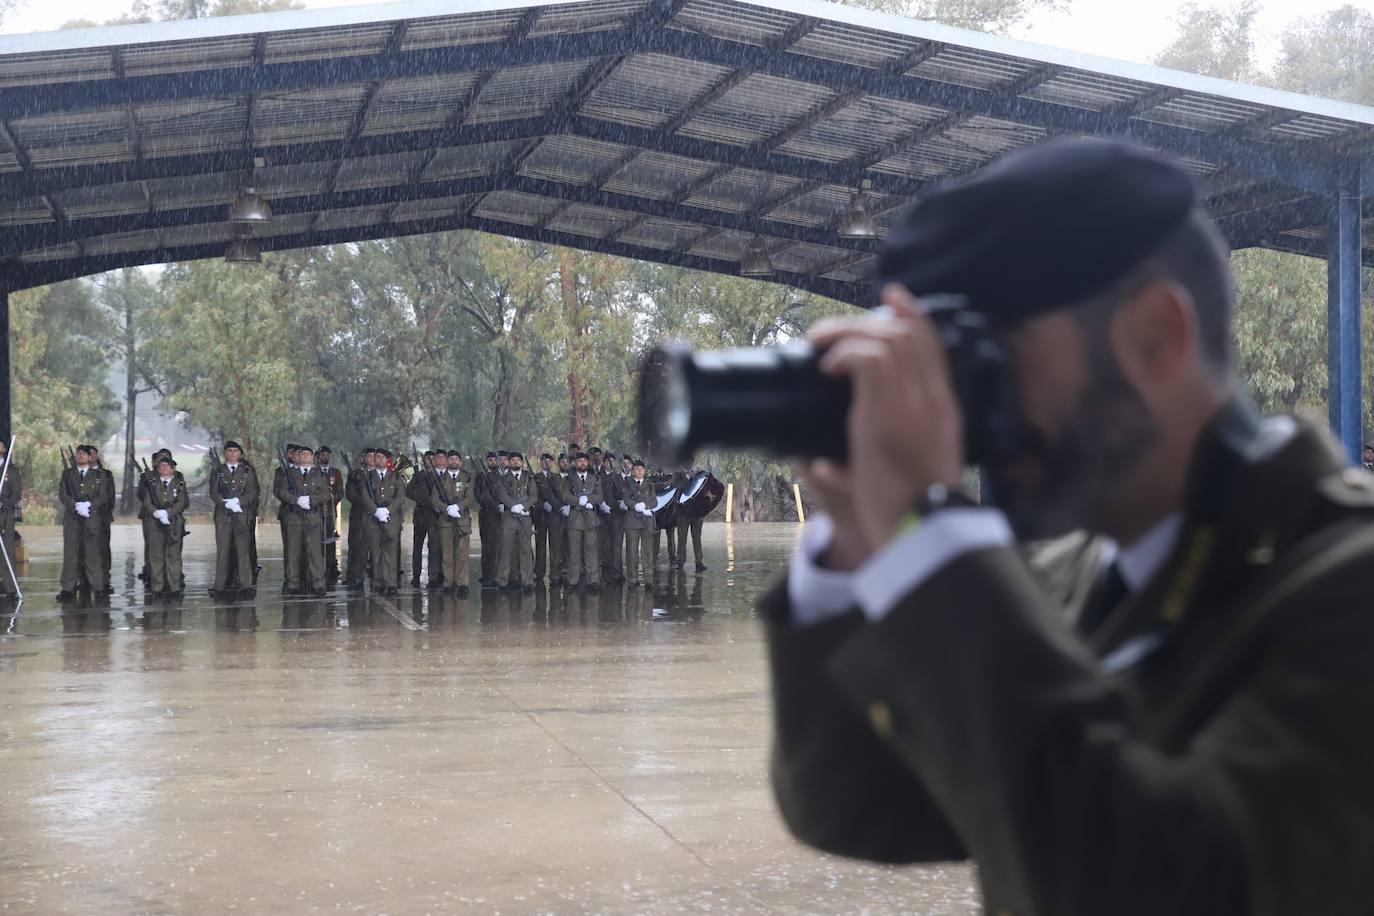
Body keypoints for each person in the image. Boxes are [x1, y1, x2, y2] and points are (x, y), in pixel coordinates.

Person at [762, 138, 1374, 915]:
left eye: (990, 364)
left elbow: (1169, 892)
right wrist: (853, 545)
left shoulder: (1345, 585)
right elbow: (860, 805)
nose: (968, 415)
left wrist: (929, 543)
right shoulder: (1069, 579)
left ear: (1155, 336)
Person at [57, 445, 113, 602]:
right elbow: (63, 494)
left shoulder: (99, 475)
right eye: (78, 453)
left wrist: (89, 505)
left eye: (84, 454)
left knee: (92, 555)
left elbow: (103, 496)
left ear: (90, 457)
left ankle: (98, 587)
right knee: (71, 555)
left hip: (91, 519)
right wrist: (75, 505)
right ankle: (68, 588)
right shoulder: (68, 474)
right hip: (72, 519)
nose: (81, 456)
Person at [275, 444, 329, 597]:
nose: (305, 456)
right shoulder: (289, 473)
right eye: (302, 454)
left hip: (313, 517)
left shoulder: (319, 474)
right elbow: (281, 492)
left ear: (312, 457)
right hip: (294, 518)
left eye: (308, 454)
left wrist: (311, 499)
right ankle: (293, 584)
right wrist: (296, 500)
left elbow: (325, 494)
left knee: (315, 553)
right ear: (298, 457)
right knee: (293, 552)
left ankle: (318, 584)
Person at [211, 441, 259, 598]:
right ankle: (219, 586)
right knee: (223, 552)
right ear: (224, 453)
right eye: (229, 450)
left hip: (241, 514)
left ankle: (246, 585)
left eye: (235, 451)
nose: (232, 453)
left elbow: (251, 492)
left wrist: (238, 501)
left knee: (243, 551)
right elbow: (214, 492)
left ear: (240, 454)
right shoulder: (218, 471)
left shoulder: (247, 471)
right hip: (223, 516)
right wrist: (225, 503)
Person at [355, 447, 404, 596]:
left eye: (382, 457)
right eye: (376, 457)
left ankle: (391, 583)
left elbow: (400, 497)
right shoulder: (367, 477)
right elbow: (364, 496)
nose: (379, 460)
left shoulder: (396, 477)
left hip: (391, 519)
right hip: (373, 519)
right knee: (376, 552)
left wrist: (387, 510)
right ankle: (378, 582)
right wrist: (376, 511)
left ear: (387, 460)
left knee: (390, 553)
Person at [139, 455, 188, 600]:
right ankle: (157, 587)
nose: (164, 468)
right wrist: (156, 512)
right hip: (155, 523)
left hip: (174, 523)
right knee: (156, 556)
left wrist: (168, 513)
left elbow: (182, 502)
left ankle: (174, 587)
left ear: (173, 469)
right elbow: (147, 501)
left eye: (167, 466)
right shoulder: (152, 483)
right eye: (161, 466)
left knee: (173, 556)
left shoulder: (179, 483)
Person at [429, 450, 476, 596]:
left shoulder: (467, 477)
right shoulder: (440, 478)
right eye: (451, 459)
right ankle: (448, 583)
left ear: (460, 462)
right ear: (447, 461)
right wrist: (447, 509)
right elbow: (434, 499)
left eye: (456, 458)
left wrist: (458, 507)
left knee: (462, 553)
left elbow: (470, 498)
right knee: (447, 553)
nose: (454, 461)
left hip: (462, 521)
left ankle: (462, 583)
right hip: (446, 521)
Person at [495, 452, 537, 591]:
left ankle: (527, 581)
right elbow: (501, 494)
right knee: (506, 551)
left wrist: (523, 506)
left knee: (525, 551)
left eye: (518, 460)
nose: (515, 462)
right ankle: (502, 581)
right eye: (513, 460)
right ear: (509, 462)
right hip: (509, 519)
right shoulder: (503, 478)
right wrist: (513, 505)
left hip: (524, 518)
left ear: (522, 462)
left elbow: (534, 496)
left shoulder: (529, 477)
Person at [561, 452, 602, 590]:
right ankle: (573, 580)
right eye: (579, 461)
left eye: (584, 461)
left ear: (588, 462)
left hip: (590, 518)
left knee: (591, 551)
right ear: (575, 463)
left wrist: (588, 499)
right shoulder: (568, 479)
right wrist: (578, 500)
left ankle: (593, 581)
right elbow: (565, 496)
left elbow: (600, 496)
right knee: (574, 552)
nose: (582, 463)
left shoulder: (595, 478)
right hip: (575, 519)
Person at [621, 459, 655, 589]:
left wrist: (644, 505)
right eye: (637, 469)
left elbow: (654, 501)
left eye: (642, 469)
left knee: (648, 551)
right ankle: (632, 579)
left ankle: (649, 580)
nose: (639, 471)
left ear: (644, 471)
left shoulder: (649, 484)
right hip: (632, 520)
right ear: (633, 471)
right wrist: (635, 505)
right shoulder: (627, 483)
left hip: (647, 521)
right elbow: (626, 499)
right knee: (631, 551)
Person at [344, 447, 374, 589]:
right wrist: (367, 502)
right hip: (360, 516)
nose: (372, 458)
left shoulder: (383, 475)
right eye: (369, 456)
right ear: (363, 458)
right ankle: (356, 577)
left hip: (376, 517)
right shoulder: (355, 475)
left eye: (374, 456)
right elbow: (350, 494)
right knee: (359, 549)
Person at [407, 450, 437, 588]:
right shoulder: (418, 475)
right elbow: (409, 491)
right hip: (420, 514)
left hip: (433, 515)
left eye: (432, 458)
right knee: (417, 547)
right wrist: (420, 497)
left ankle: (433, 577)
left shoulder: (438, 476)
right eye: (427, 458)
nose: (429, 461)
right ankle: (416, 575)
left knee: (434, 547)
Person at [476, 451, 502, 587]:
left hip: (497, 516)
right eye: (490, 460)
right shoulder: (481, 477)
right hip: (485, 515)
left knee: (496, 546)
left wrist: (498, 505)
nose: (492, 462)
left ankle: (494, 575)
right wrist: (489, 501)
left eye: (494, 460)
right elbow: (478, 495)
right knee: (485, 546)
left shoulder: (502, 476)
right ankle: (486, 574)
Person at [317, 446, 343, 584]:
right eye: (322, 455)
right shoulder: (314, 472)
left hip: (331, 509)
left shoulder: (336, 473)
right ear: (318, 457)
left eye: (327, 455)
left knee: (331, 537)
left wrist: (332, 499)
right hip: (317, 510)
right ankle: (319, 564)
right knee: (318, 537)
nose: (325, 457)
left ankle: (332, 564)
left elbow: (340, 490)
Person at [0, 440, 20, 601]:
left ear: (4, 449)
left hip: (5, 516)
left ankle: (10, 587)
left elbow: (16, 494)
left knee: (7, 551)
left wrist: (3, 503)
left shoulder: (11, 471)